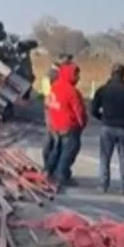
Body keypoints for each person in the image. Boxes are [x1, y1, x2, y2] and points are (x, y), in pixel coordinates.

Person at [90, 63, 124, 195]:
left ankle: (103, 185)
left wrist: (102, 117)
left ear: (111, 74)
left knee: (105, 157)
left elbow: (93, 109)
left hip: (107, 126)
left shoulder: (103, 89)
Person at [43, 61, 87, 189]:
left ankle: (49, 171)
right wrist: (81, 124)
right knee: (69, 152)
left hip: (56, 126)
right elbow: (79, 111)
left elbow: (49, 106)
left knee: (57, 150)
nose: (78, 78)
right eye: (76, 75)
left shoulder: (54, 87)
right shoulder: (72, 92)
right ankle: (61, 176)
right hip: (69, 127)